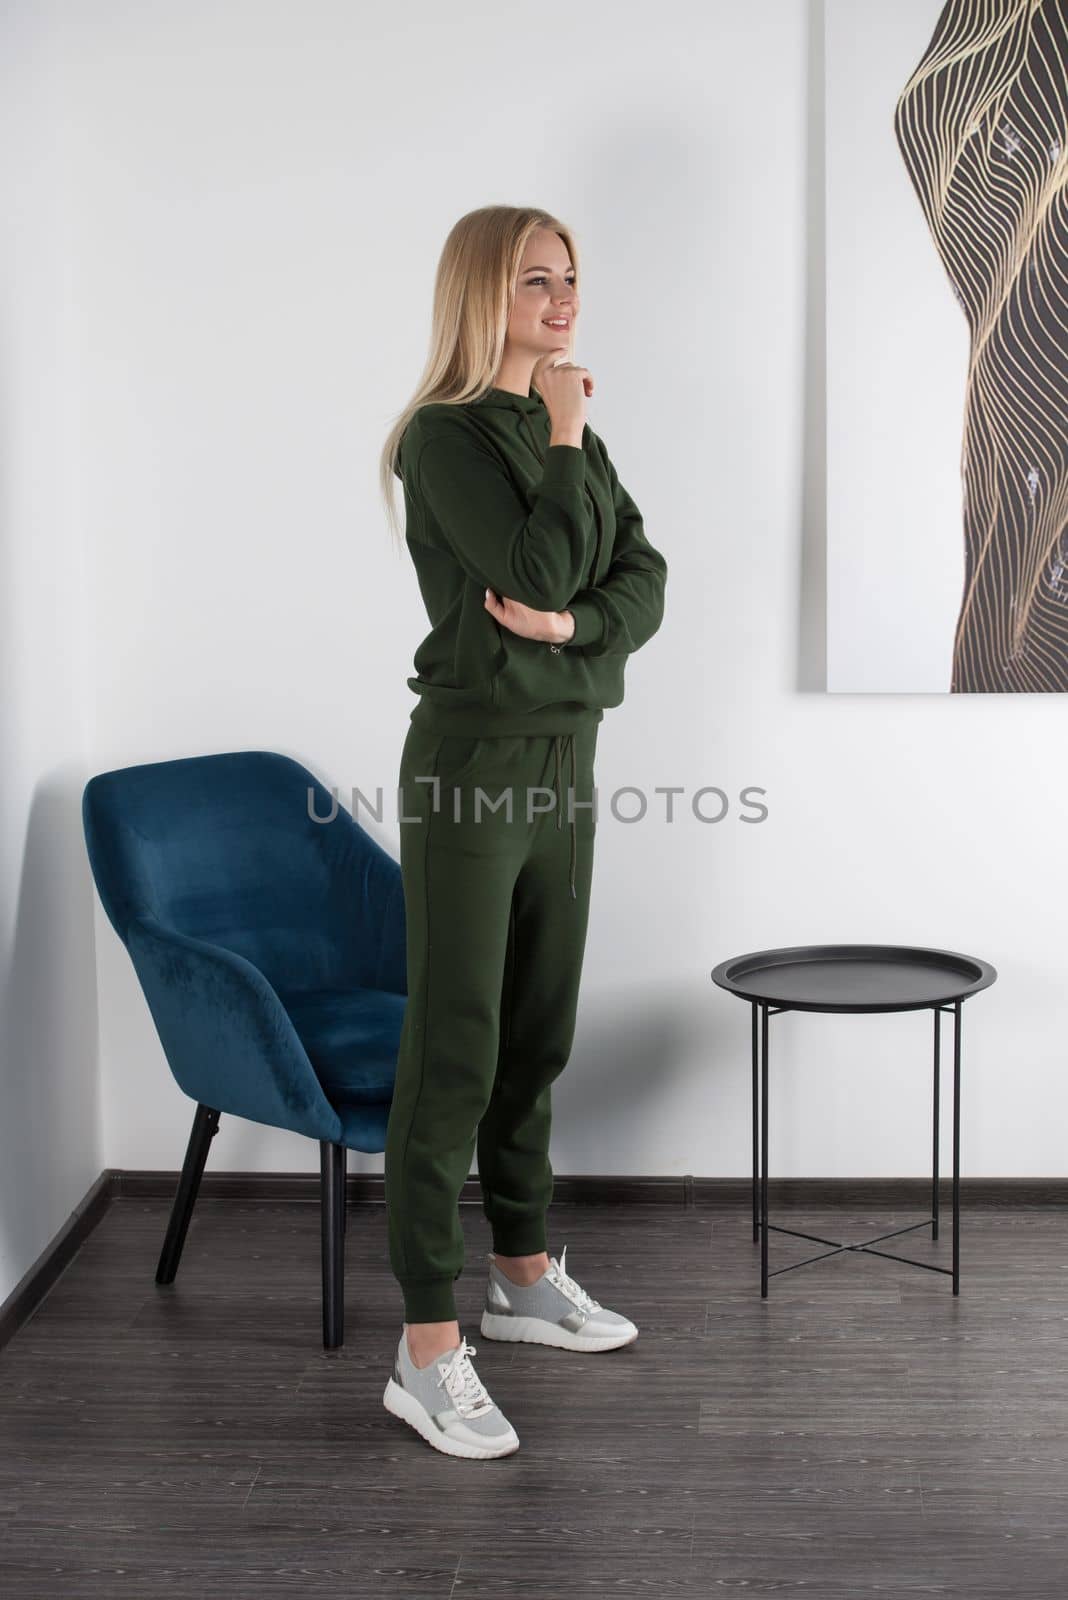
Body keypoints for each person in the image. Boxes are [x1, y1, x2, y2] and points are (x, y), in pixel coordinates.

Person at [377, 205, 668, 1459]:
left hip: (566, 764)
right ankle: (426, 1346)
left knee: (538, 1032)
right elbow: (543, 573)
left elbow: (645, 578)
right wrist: (560, 436)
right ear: (481, 295)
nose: (561, 300)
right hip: (473, 774)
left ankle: (523, 1274)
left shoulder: (576, 441)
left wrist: (569, 641)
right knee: (458, 1047)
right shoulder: (447, 440)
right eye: (534, 280)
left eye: (570, 277)